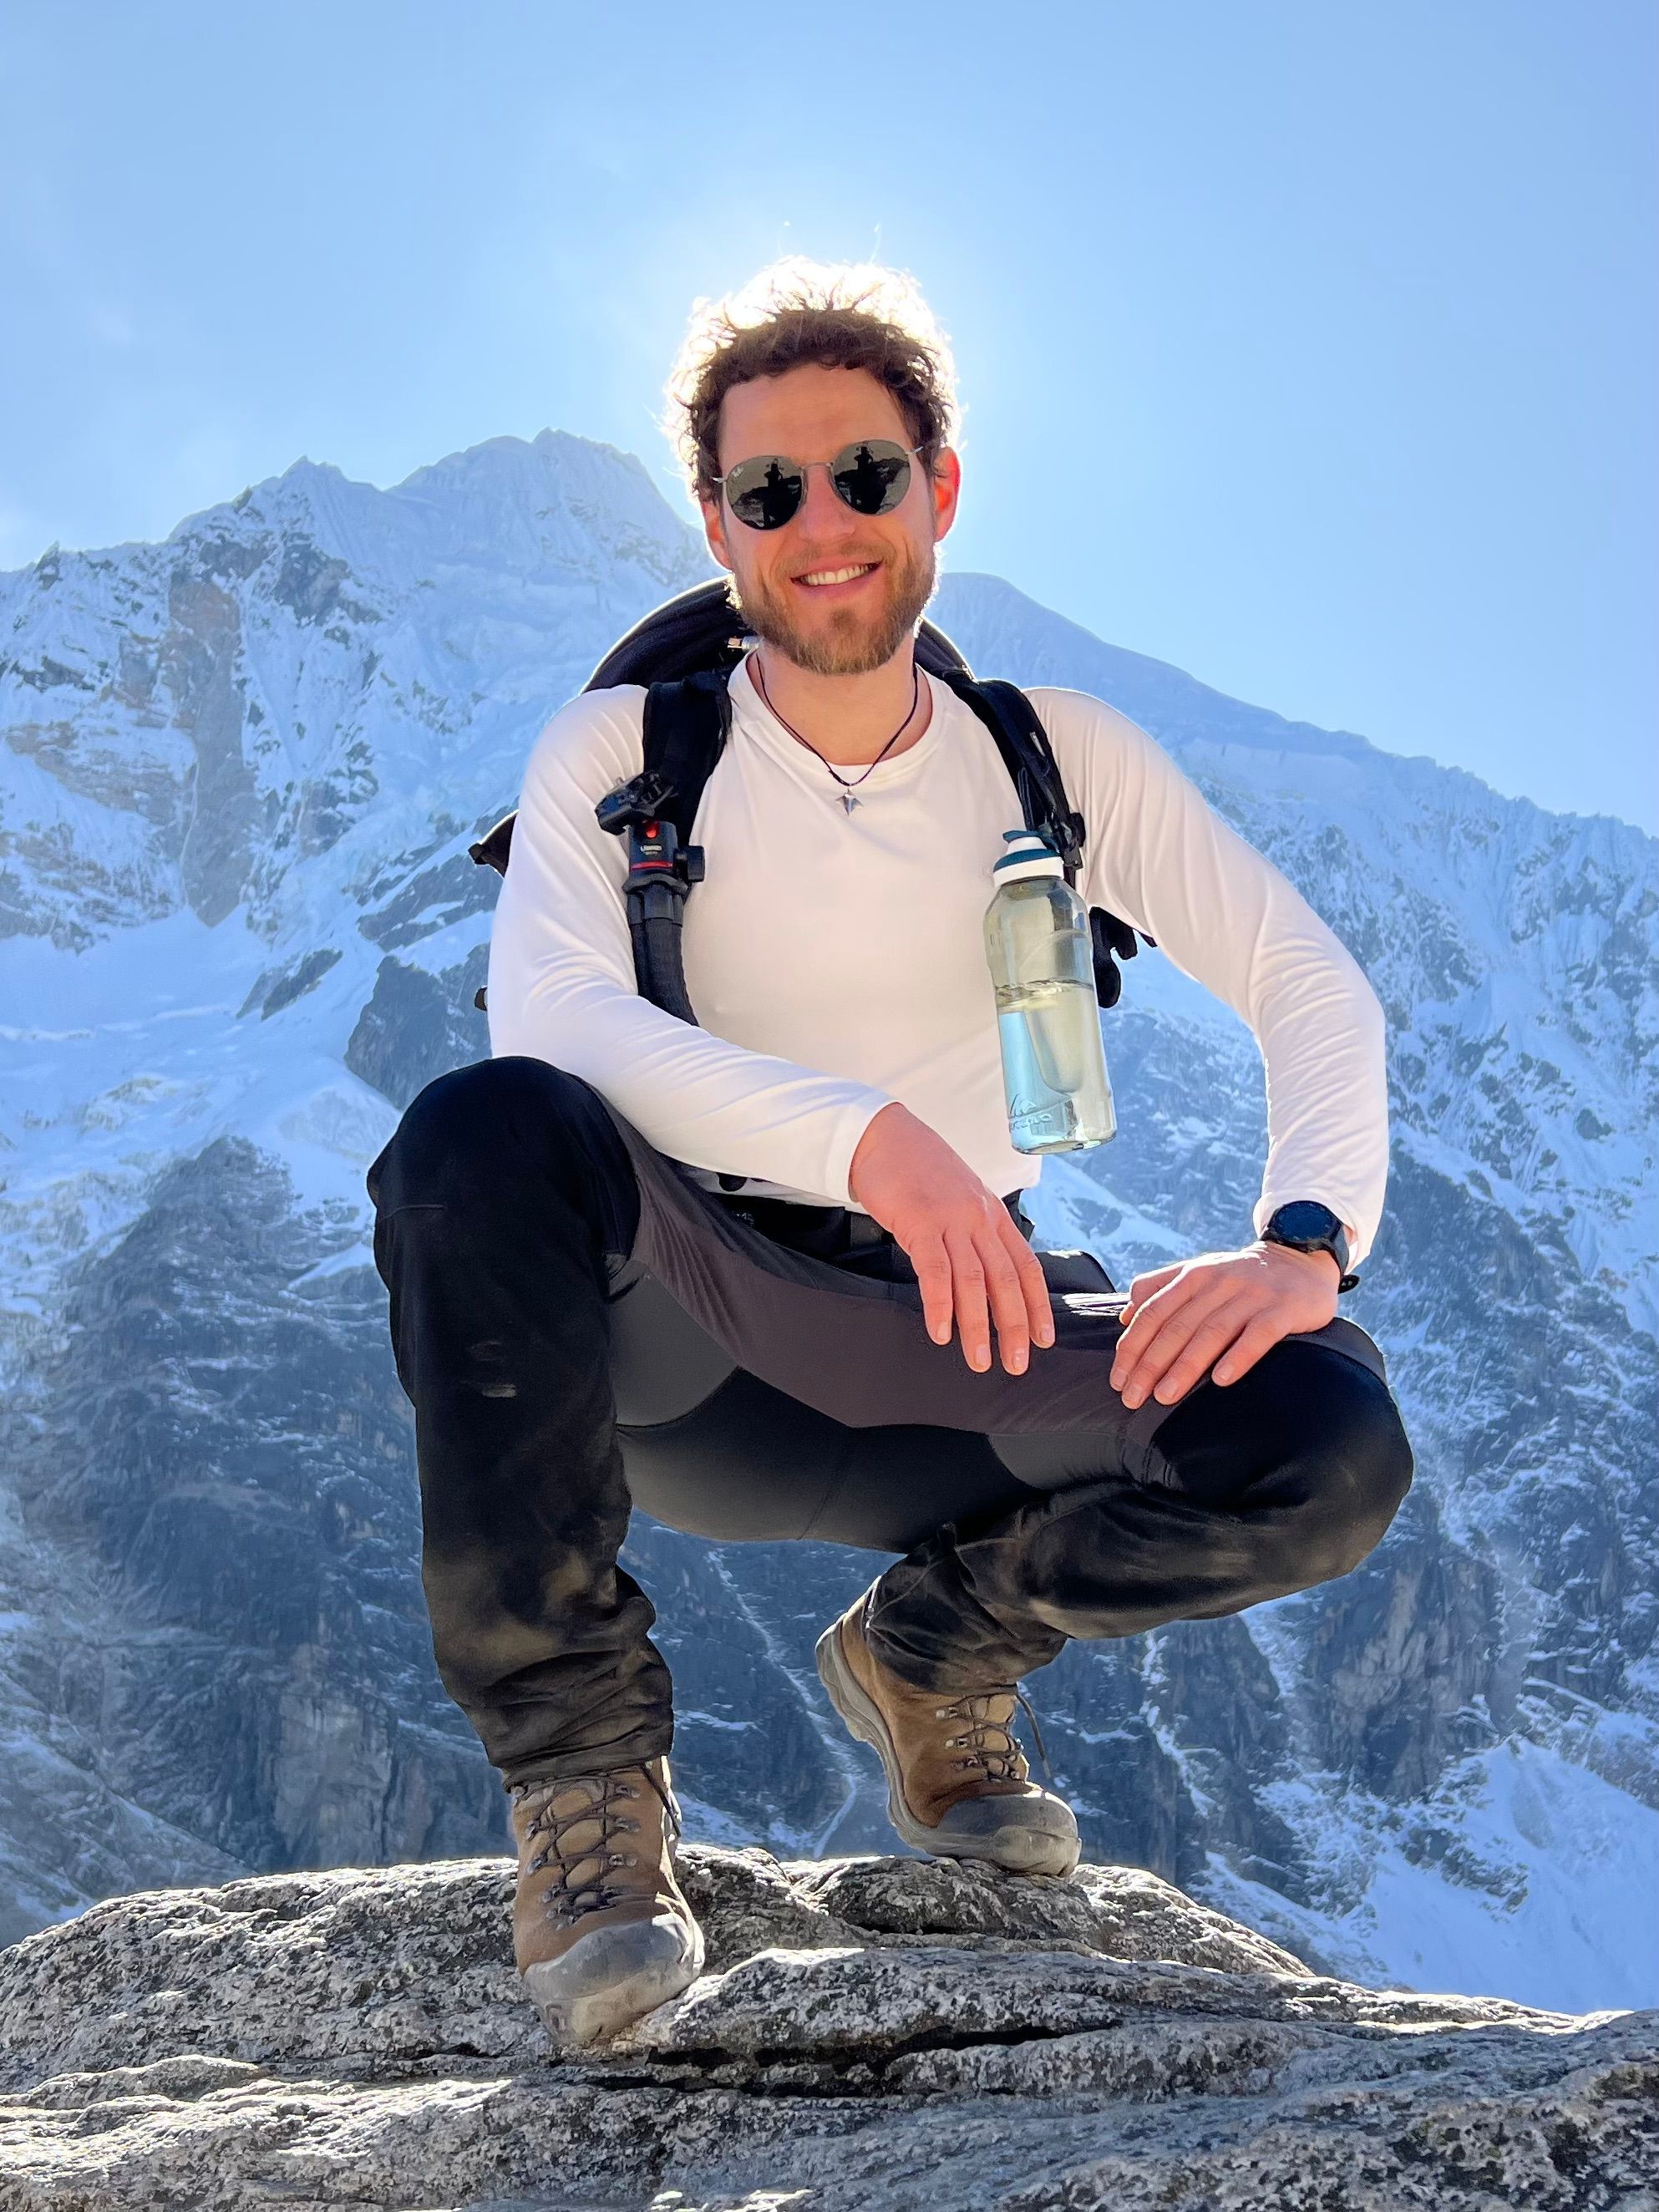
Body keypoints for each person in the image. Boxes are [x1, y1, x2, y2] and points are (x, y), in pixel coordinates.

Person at [366, 258, 1413, 2051]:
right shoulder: (628, 752)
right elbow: (556, 1026)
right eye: (768, 491)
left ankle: (938, 1644)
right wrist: (870, 1144)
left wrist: (1302, 1244)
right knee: (476, 1135)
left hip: (959, 1348)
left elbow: (1306, 983)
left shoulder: (1053, 760)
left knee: (1328, 1437)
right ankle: (587, 1788)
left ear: (941, 487)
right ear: (717, 525)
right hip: (692, 1336)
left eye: (863, 473)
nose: (822, 525)